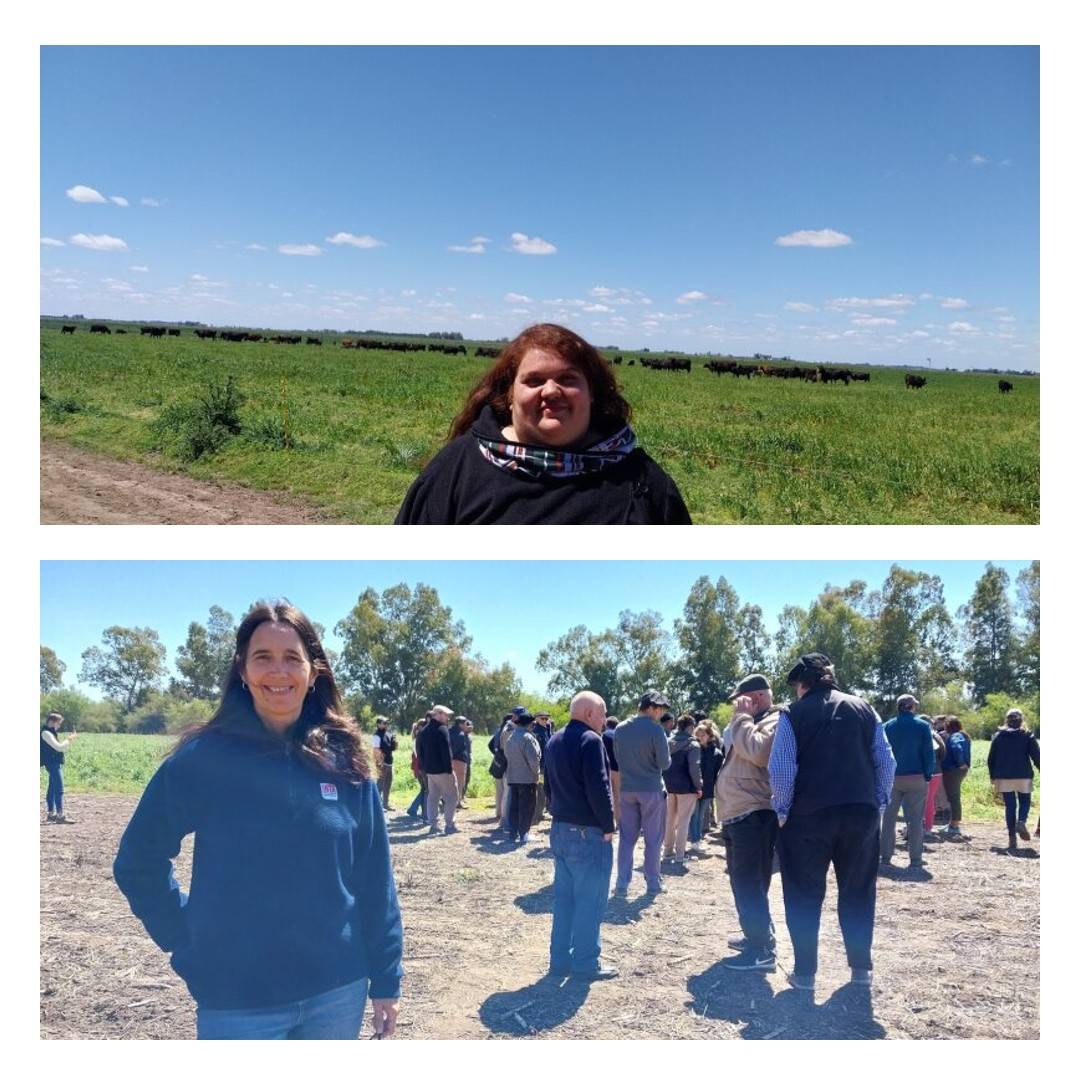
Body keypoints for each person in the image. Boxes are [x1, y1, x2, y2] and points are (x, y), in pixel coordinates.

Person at [113, 601, 403, 1040]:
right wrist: (185, 938)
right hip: (237, 1000)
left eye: (292, 658)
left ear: (314, 671)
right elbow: (138, 861)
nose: (278, 672)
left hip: (338, 993)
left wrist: (386, 978)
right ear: (243, 671)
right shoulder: (203, 759)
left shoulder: (346, 760)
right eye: (262, 657)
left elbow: (373, 876)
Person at [394, 323, 692, 525]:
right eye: (534, 380)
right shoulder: (453, 472)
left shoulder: (645, 484)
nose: (551, 391)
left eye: (567, 379)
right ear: (510, 394)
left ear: (592, 394)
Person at [768, 653, 895, 992]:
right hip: (860, 812)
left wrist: (781, 811)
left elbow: (781, 769)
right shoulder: (865, 708)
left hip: (807, 817)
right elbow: (886, 761)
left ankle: (806, 974)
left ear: (802, 684)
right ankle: (860, 970)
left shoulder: (792, 714)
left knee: (803, 894)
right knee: (858, 891)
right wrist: (878, 803)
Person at [543, 691, 618, 981]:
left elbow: (547, 785)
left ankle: (559, 960)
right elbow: (599, 787)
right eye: (602, 713)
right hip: (588, 832)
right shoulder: (591, 740)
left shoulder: (554, 739)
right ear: (589, 714)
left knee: (564, 899)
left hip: (561, 829)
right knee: (591, 900)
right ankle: (586, 962)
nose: (604, 720)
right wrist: (608, 825)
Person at [714, 675, 784, 972]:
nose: (736, 707)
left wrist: (742, 717)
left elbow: (757, 752)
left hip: (753, 813)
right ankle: (755, 936)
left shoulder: (775, 719)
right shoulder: (755, 720)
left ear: (755, 698)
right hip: (740, 813)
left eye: (740, 701)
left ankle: (763, 950)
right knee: (743, 881)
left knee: (750, 882)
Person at [612, 690, 673, 898]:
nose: (661, 713)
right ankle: (653, 883)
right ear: (652, 708)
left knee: (627, 838)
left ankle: (622, 884)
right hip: (652, 789)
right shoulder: (656, 731)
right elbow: (665, 763)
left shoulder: (620, 728)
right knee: (653, 839)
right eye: (661, 709)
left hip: (627, 789)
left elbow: (618, 759)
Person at [880, 695, 935, 871]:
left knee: (888, 819)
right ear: (911, 707)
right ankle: (916, 860)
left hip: (892, 778)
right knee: (915, 820)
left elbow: (880, 752)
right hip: (916, 778)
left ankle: (886, 857)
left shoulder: (888, 726)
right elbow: (928, 753)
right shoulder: (923, 726)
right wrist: (927, 774)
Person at [987, 708, 1041, 852]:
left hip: (1003, 776)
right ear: (1021, 720)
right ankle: (1021, 821)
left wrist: (992, 776)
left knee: (1010, 806)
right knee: (1025, 801)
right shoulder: (1027, 735)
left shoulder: (998, 736)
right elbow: (1036, 756)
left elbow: (991, 758)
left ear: (1007, 720)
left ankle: (1012, 838)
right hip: (1023, 775)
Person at [662, 715, 702, 867]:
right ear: (690, 727)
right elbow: (694, 768)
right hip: (686, 787)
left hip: (669, 785)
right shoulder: (693, 744)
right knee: (684, 821)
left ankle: (667, 851)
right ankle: (680, 855)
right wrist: (698, 786)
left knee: (670, 819)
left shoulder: (667, 742)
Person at [417, 705, 459, 835]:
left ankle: (434, 825)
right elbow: (446, 751)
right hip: (443, 770)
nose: (447, 718)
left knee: (433, 797)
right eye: (446, 715)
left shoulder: (423, 731)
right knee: (452, 796)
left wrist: (425, 768)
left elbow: (419, 751)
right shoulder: (442, 729)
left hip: (430, 771)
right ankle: (449, 824)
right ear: (439, 714)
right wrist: (449, 769)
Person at [504, 710, 542, 843]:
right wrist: (537, 774)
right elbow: (533, 760)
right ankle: (524, 834)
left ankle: (512, 833)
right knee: (527, 807)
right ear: (530, 724)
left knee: (514, 807)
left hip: (513, 777)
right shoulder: (528, 738)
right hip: (527, 779)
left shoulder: (511, 737)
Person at [689, 719, 723, 852]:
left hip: (708, 789)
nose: (699, 737)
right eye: (697, 734)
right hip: (693, 788)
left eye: (702, 734)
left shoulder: (717, 754)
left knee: (701, 815)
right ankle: (695, 840)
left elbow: (716, 774)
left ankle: (697, 840)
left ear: (709, 736)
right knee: (694, 815)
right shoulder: (692, 750)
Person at [40, 712, 78, 824]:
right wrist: (70, 739)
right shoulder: (46, 733)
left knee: (52, 789)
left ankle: (51, 814)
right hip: (53, 765)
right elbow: (59, 748)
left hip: (52, 764)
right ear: (52, 722)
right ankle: (60, 816)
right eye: (58, 723)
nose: (59, 726)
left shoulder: (48, 732)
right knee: (59, 789)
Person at [940, 716, 972, 837]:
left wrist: (960, 763)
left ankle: (954, 825)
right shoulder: (963, 735)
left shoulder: (955, 736)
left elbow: (956, 747)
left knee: (953, 797)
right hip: (958, 769)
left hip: (953, 769)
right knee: (954, 796)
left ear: (949, 725)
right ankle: (952, 823)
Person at [489, 713, 513, 829]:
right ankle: (503, 816)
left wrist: (497, 754)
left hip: (499, 763)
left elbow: (490, 744)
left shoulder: (499, 731)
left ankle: (498, 812)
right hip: (504, 764)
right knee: (506, 792)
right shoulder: (507, 730)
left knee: (500, 791)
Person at [923, 719, 947, 835]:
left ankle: (926, 827)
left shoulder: (925, 736)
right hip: (937, 772)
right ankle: (928, 826)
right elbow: (943, 753)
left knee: (924, 801)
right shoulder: (937, 736)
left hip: (926, 773)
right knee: (930, 800)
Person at [372, 716, 398, 812]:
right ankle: (377, 806)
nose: (387, 725)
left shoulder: (388, 734)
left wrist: (394, 744)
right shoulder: (376, 735)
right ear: (378, 724)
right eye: (384, 723)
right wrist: (379, 763)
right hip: (382, 763)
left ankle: (385, 804)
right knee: (380, 785)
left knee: (388, 784)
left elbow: (391, 748)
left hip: (389, 762)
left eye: (387, 723)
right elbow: (375, 750)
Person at [531, 711, 553, 825]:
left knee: (545, 789)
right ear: (537, 719)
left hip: (548, 765)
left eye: (547, 718)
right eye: (543, 718)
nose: (545, 721)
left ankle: (541, 812)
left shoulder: (546, 730)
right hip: (541, 767)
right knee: (541, 790)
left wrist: (549, 729)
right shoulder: (536, 732)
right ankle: (537, 814)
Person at [406, 717, 429, 821]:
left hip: (420, 767)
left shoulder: (419, 737)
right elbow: (418, 756)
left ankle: (413, 808)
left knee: (424, 789)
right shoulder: (418, 739)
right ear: (420, 727)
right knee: (425, 790)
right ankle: (419, 811)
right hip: (420, 768)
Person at [449, 715, 471, 809]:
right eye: (466, 724)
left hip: (450, 760)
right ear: (461, 724)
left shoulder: (449, 731)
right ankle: (458, 802)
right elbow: (457, 748)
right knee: (460, 782)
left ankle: (450, 801)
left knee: (451, 782)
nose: (467, 726)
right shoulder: (460, 734)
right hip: (459, 760)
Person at [602, 716, 621, 809]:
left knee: (609, 797)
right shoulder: (621, 734)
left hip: (608, 770)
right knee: (618, 798)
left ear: (606, 724)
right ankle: (619, 822)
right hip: (621, 770)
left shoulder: (604, 735)